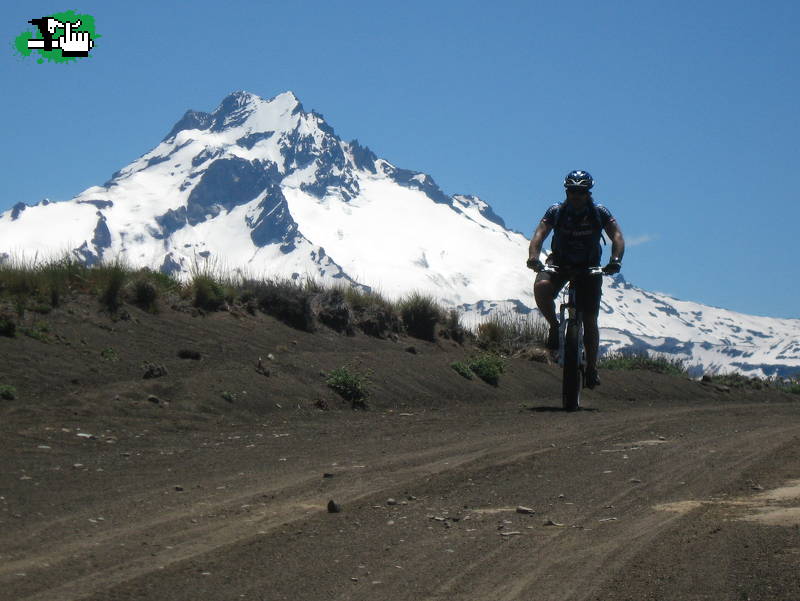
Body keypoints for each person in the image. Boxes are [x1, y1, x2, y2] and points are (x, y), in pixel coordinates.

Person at [526, 170, 625, 389]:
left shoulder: (599, 212)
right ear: (566, 191)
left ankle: (591, 368)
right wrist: (533, 257)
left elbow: (616, 236)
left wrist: (615, 260)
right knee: (542, 287)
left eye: (580, 192)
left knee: (589, 320)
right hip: (559, 263)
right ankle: (554, 325)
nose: (576, 196)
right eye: (572, 191)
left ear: (588, 192)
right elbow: (539, 234)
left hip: (589, 268)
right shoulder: (556, 211)